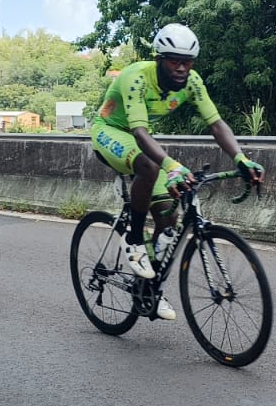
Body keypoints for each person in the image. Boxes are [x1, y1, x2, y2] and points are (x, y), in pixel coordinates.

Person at [88, 23, 265, 320]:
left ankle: (147, 288)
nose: (182, 68)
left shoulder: (192, 82)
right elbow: (140, 131)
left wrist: (241, 159)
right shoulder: (136, 77)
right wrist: (172, 166)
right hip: (111, 132)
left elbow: (217, 124)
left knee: (168, 213)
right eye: (174, 61)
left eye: (187, 62)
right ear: (159, 58)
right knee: (150, 166)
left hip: (140, 138)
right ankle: (133, 239)